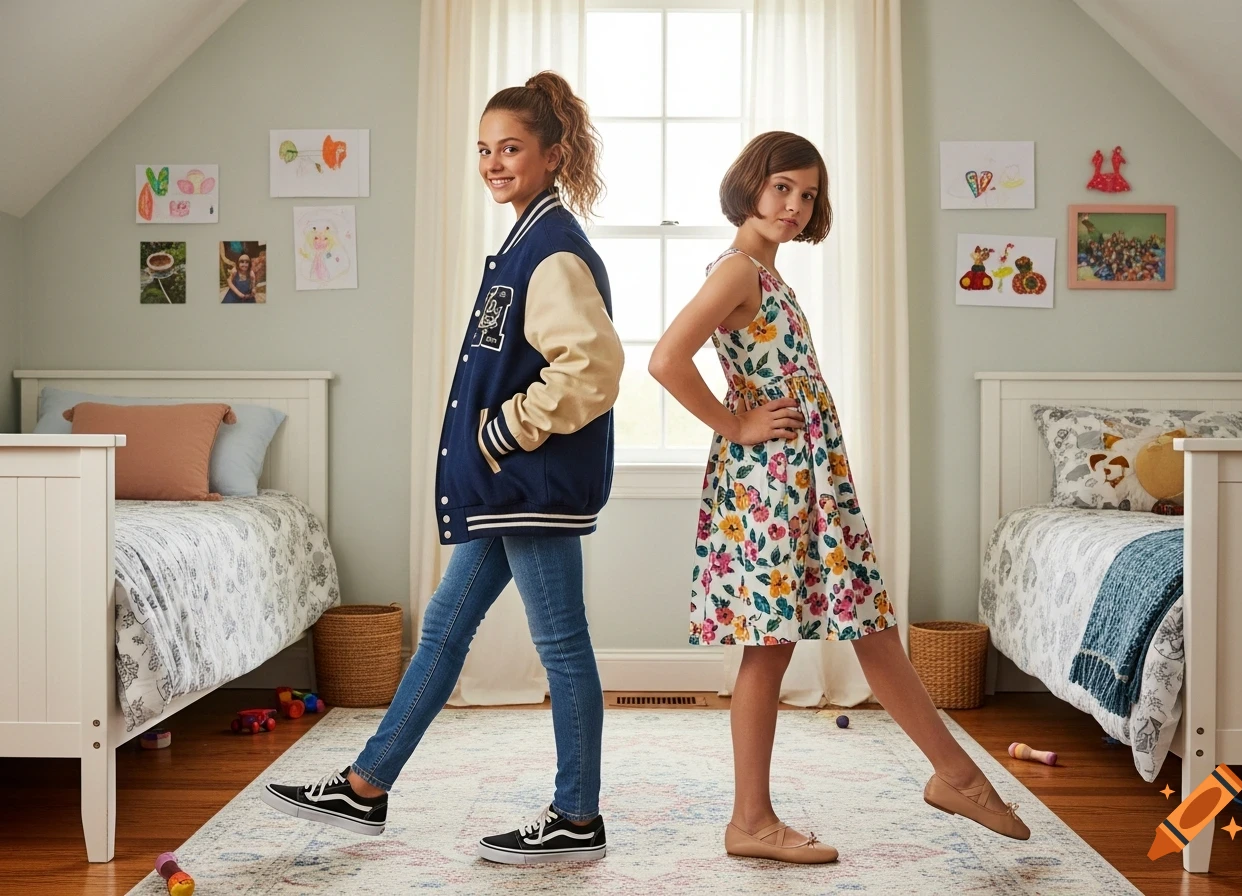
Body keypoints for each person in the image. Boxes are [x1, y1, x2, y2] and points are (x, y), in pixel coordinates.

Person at [261, 70, 623, 865]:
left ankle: (577, 815)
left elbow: (592, 369)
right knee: (444, 633)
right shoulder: (528, 238)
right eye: (485, 149)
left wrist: (504, 430)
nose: (494, 162)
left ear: (552, 154)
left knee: (561, 645)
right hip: (510, 488)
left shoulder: (554, 250)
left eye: (512, 148)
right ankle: (366, 787)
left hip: (530, 484)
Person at [649, 131, 1030, 865]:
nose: (795, 205)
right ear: (751, 184)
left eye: (809, 194)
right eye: (782, 187)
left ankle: (956, 776)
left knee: (868, 625)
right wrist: (736, 422)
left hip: (806, 481)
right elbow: (667, 359)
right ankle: (754, 821)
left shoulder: (765, 272)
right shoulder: (736, 272)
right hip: (771, 486)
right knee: (772, 647)